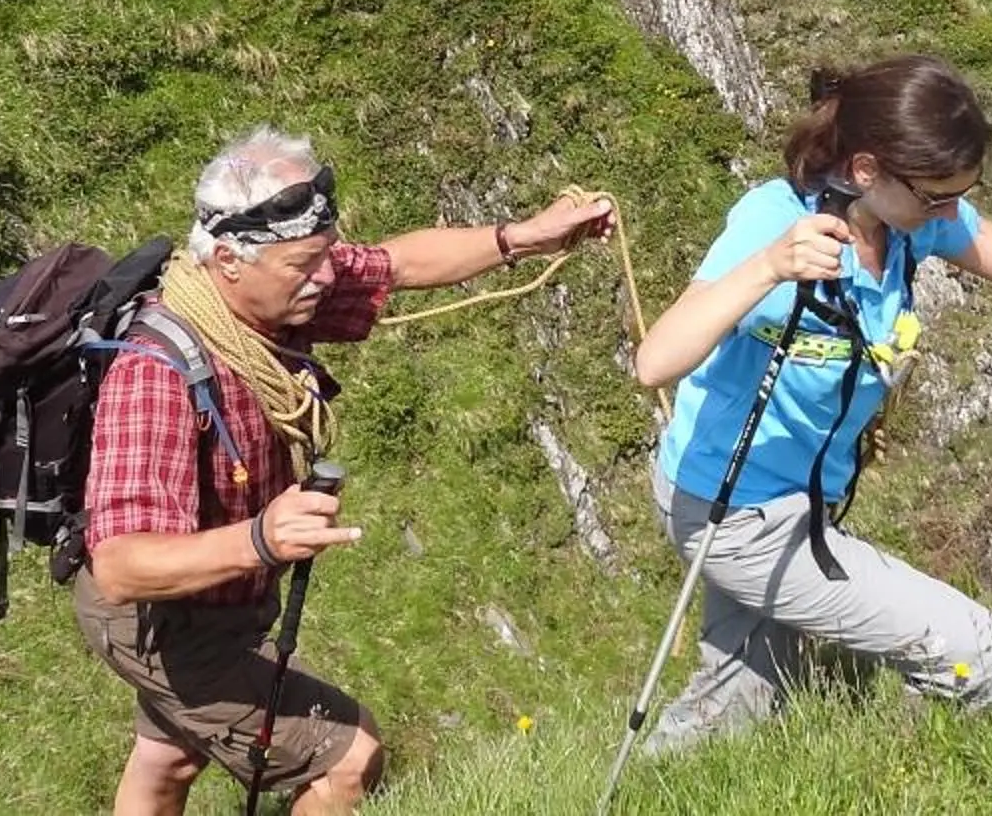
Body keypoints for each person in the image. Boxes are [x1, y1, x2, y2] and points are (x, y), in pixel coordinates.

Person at [630, 54, 992, 748]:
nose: (950, 211)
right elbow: (654, 361)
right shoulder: (774, 221)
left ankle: (676, 776)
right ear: (869, 169)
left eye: (960, 193)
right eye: (937, 196)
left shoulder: (914, 219)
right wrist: (769, 268)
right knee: (986, 662)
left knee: (739, 719)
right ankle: (886, 772)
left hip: (797, 502)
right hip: (730, 511)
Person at [73, 126, 615, 816]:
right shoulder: (155, 374)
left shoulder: (271, 289)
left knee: (169, 756)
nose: (326, 277)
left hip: (210, 604)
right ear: (231, 260)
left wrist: (525, 236)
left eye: (326, 256)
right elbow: (120, 565)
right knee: (350, 758)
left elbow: (396, 264)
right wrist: (260, 540)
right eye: (306, 264)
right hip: (159, 618)